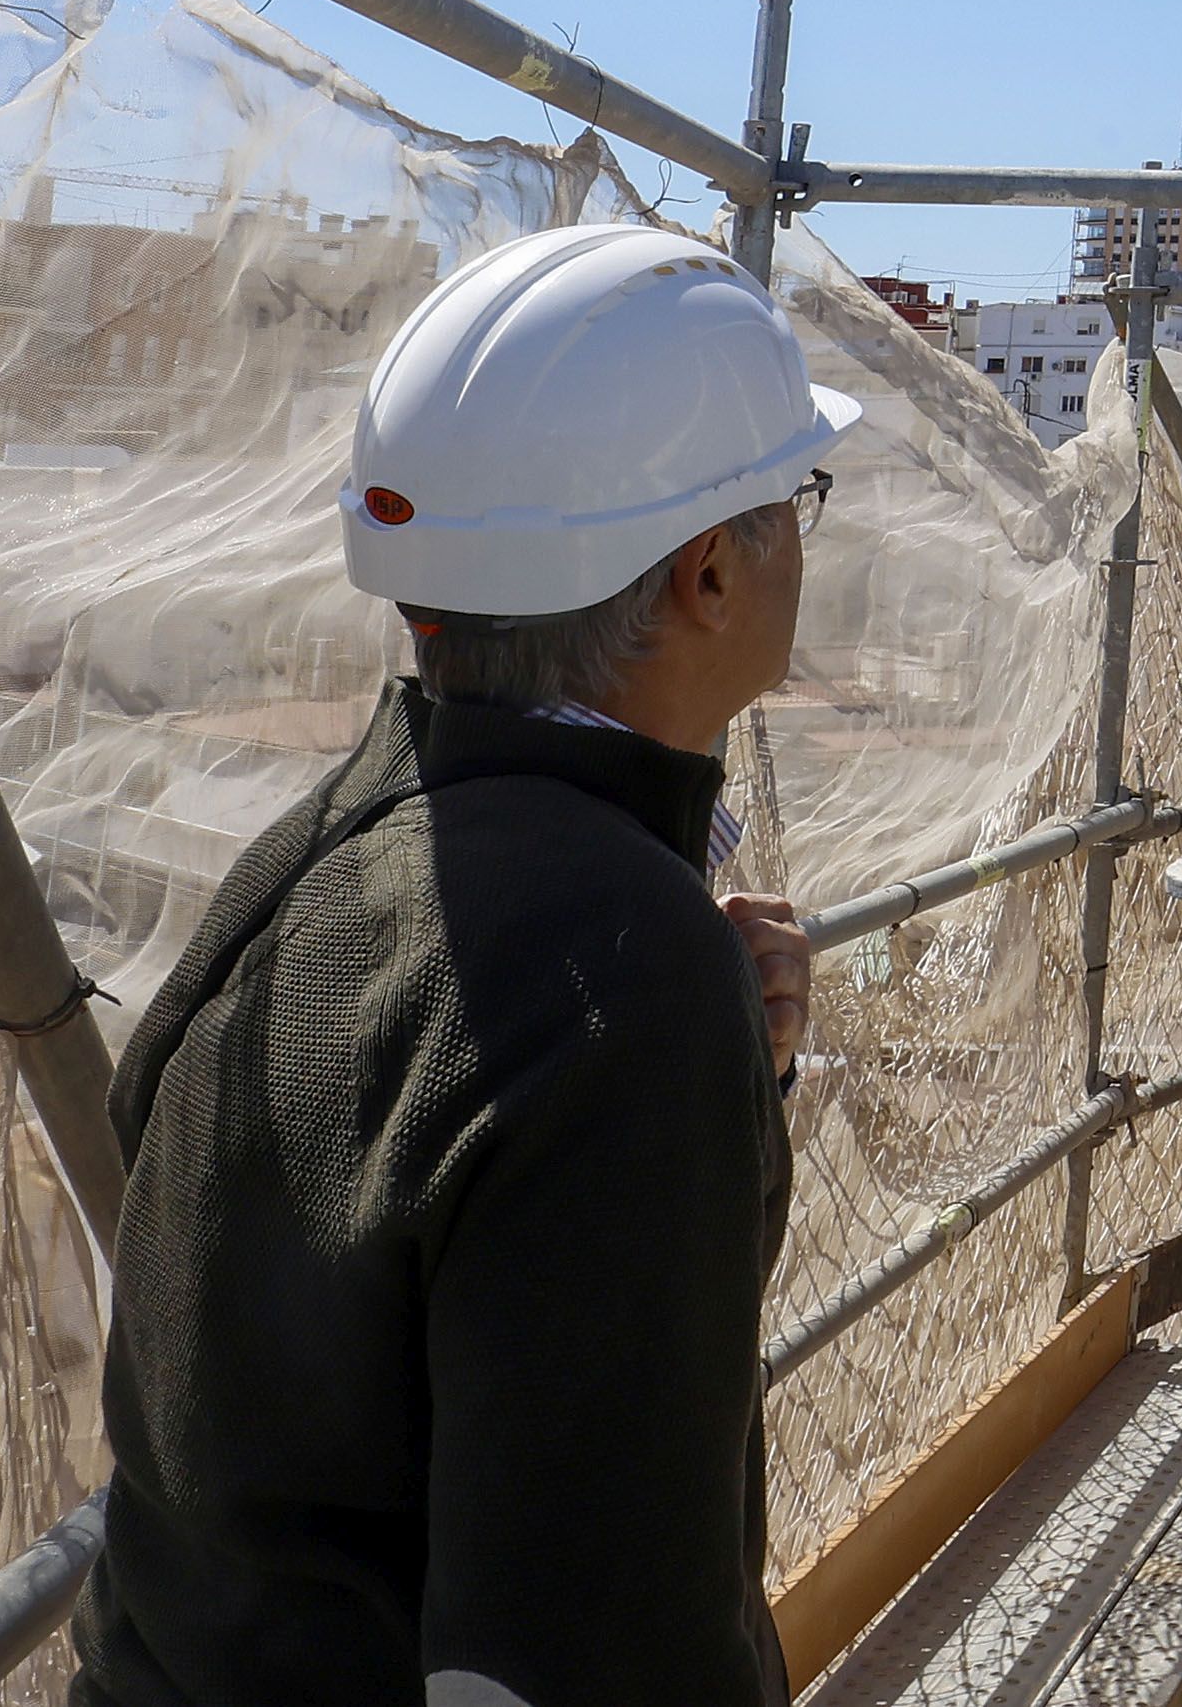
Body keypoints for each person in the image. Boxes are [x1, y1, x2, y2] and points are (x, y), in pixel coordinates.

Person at [73, 220, 857, 1707]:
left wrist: (720, 1104)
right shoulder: (618, 967)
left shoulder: (312, 855)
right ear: (703, 576)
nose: (804, 541)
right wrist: (672, 1053)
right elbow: (584, 1648)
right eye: (794, 497)